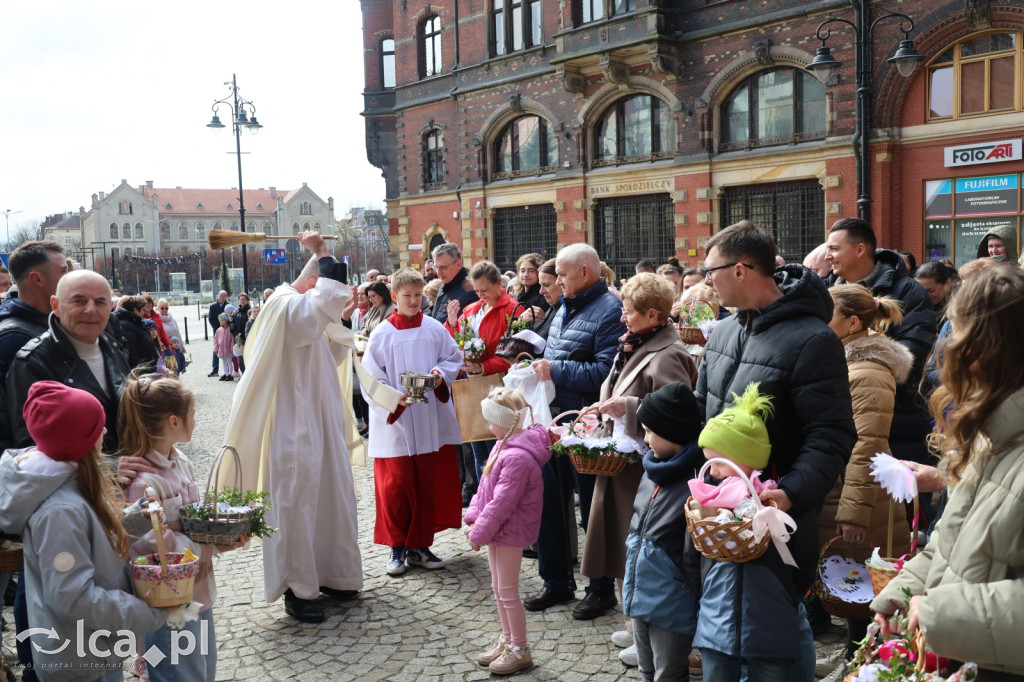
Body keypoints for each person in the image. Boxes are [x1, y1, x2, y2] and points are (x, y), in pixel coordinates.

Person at [696, 220, 856, 680]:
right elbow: (700, 414)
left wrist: (789, 493)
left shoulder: (813, 339)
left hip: (776, 517)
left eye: (712, 271)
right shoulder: (722, 332)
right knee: (724, 627)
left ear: (742, 269)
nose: (707, 281)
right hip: (721, 515)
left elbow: (831, 436)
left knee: (779, 631)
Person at [871, 266, 1024, 679]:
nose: (946, 346)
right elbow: (948, 545)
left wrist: (941, 612)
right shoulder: (988, 435)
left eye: (955, 333)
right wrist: (902, 592)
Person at [219, 231, 363, 623]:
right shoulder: (284, 305)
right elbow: (311, 320)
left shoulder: (301, 307)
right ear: (315, 284)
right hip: (292, 424)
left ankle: (335, 574)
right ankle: (296, 589)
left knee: (333, 496)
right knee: (295, 504)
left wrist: (343, 318)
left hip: (318, 419)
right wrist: (323, 251)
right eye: (332, 289)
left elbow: (328, 346)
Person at [0, 381, 168, 681]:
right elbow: (73, 597)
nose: (104, 432)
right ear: (79, 440)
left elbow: (91, 538)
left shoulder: (71, 483)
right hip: (77, 661)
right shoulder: (59, 512)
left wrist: (136, 518)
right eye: (97, 427)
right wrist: (148, 612)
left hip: (94, 647)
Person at [583, 273, 697, 659]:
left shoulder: (668, 353)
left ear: (653, 314)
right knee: (620, 548)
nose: (621, 319)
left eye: (628, 312)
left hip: (644, 469)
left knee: (645, 554)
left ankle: (649, 636)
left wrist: (628, 408)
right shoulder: (635, 341)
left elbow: (678, 413)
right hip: (621, 463)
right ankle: (634, 626)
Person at [119, 374, 244, 681]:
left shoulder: (182, 461)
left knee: (202, 671)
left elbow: (193, 517)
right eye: (193, 414)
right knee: (177, 673)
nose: (196, 420)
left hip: (198, 592)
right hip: (168, 603)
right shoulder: (144, 481)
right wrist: (211, 546)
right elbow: (151, 547)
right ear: (174, 421)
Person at [527, 243, 626, 616]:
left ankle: (600, 588)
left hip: (587, 425)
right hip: (552, 419)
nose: (557, 281)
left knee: (592, 509)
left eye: (564, 275)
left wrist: (554, 370)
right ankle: (556, 582)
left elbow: (606, 372)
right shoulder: (564, 305)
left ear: (585, 273)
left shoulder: (610, 310)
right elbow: (558, 356)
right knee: (549, 503)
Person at [821, 284, 912, 657]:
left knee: (864, 583)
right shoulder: (845, 360)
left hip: (865, 497)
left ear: (852, 322)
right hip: (851, 490)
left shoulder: (869, 370)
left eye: (827, 315)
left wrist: (853, 513)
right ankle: (852, 657)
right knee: (850, 580)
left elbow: (867, 445)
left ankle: (860, 661)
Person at [362, 268, 464, 577]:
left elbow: (453, 358)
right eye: (407, 296)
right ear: (394, 297)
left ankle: (419, 545)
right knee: (396, 487)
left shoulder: (434, 328)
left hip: (429, 417)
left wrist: (439, 375)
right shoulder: (381, 333)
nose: (414, 301)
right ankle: (396, 547)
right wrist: (395, 398)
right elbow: (371, 378)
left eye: (419, 295)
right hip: (397, 422)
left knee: (424, 484)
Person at [825, 217, 936, 465]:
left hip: (895, 422)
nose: (827, 256)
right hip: (841, 417)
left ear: (860, 249)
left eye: (834, 249)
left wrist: (858, 368)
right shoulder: (826, 289)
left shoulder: (908, 291)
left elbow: (912, 357)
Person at [464, 387, 552, 676]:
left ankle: (521, 648)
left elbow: (502, 503)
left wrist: (479, 533)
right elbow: (485, 487)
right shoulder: (502, 444)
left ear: (505, 422)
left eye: (490, 420)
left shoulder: (516, 457)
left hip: (509, 531)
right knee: (497, 589)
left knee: (508, 592)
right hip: (497, 530)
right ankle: (508, 638)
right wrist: (474, 517)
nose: (487, 425)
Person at [624, 382, 703, 682]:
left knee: (668, 673)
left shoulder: (696, 481)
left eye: (649, 431)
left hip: (671, 600)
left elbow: (693, 553)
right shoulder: (652, 468)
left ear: (672, 432)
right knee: (647, 671)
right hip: (640, 591)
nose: (645, 439)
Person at [6, 270, 132, 456]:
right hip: (82, 483)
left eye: (100, 302)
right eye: (78, 301)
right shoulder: (32, 362)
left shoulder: (113, 348)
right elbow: (30, 451)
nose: (90, 310)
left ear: (110, 307)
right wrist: (111, 468)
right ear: (55, 306)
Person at [445, 260, 525, 477]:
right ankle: (483, 496)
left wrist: (483, 366)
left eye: (485, 290)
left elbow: (514, 355)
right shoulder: (471, 309)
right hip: (473, 384)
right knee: (478, 447)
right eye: (477, 290)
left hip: (498, 386)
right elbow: (455, 342)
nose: (480, 295)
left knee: (496, 450)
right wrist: (452, 324)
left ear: (499, 283)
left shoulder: (513, 309)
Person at [429, 242, 478, 325]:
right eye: (436, 268)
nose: (438, 273)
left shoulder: (470, 291)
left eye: (443, 267)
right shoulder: (443, 286)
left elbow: (466, 330)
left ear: (458, 264)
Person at [111, 295, 159, 372]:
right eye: (143, 310)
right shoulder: (127, 325)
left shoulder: (134, 323)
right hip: (139, 373)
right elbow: (131, 353)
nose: (144, 313)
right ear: (136, 310)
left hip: (145, 370)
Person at [914, 261, 958, 327]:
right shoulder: (915, 304)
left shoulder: (959, 309)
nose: (925, 295)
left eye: (931, 290)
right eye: (921, 290)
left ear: (948, 283)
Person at [512, 253, 549, 327]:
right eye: (522, 271)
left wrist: (518, 322)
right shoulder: (517, 296)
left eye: (531, 271)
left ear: (539, 273)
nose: (525, 274)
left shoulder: (543, 297)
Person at [207, 290, 228, 378]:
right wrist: (217, 329)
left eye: (224, 296)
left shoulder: (228, 306)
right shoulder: (213, 306)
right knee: (215, 349)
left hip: (227, 331)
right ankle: (215, 370)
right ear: (217, 296)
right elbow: (211, 319)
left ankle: (227, 371)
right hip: (216, 331)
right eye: (221, 296)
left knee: (227, 350)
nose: (222, 298)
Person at [231, 292, 251, 374]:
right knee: (239, 357)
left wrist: (243, 334)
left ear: (247, 300)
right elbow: (232, 323)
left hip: (247, 338)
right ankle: (243, 373)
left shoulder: (250, 311)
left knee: (248, 355)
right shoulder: (236, 311)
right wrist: (236, 334)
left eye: (244, 299)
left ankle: (249, 374)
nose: (242, 301)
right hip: (238, 338)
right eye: (241, 299)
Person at [213, 313, 235, 382]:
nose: (221, 321)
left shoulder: (229, 329)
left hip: (228, 349)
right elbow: (215, 340)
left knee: (229, 362)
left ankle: (230, 375)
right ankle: (226, 374)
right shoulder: (218, 330)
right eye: (220, 320)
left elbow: (232, 340)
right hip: (221, 349)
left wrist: (232, 348)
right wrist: (216, 348)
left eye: (223, 320)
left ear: (226, 320)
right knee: (224, 362)